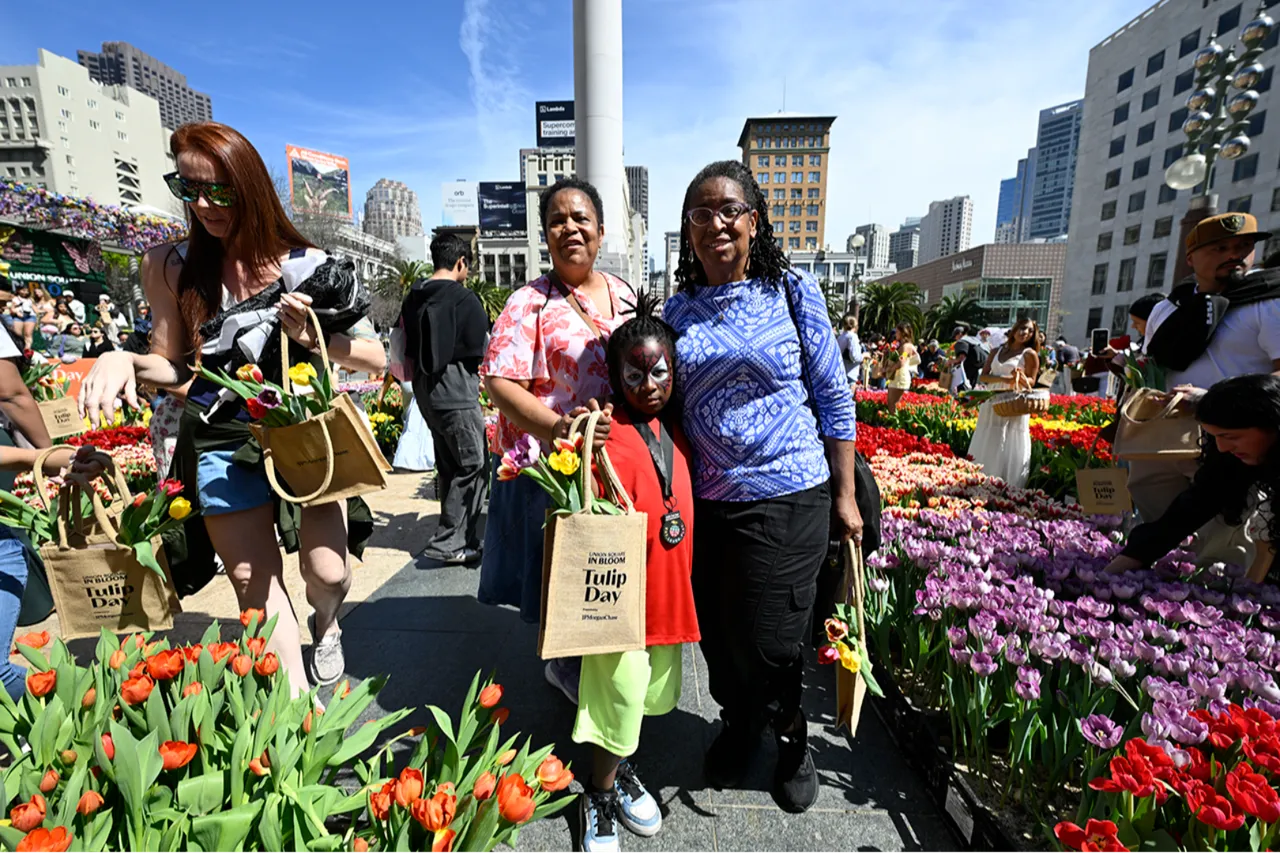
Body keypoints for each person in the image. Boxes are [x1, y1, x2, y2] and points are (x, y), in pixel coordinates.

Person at [76, 121, 386, 696]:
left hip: (300, 433)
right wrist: (126, 359)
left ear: (250, 186)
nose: (202, 205)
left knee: (328, 570)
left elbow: (374, 356)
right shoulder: (169, 265)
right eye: (187, 188)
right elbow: (177, 369)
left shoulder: (306, 264)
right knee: (252, 583)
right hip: (220, 438)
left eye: (218, 191)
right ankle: (298, 728)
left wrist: (316, 338)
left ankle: (328, 619)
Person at [663, 160, 861, 814]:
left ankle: (791, 735)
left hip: (792, 490)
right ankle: (740, 720)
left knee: (772, 636)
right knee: (719, 636)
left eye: (728, 210)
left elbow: (834, 393)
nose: (714, 223)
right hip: (709, 500)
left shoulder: (793, 291)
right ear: (687, 229)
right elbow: (658, 395)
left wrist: (845, 494)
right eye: (700, 211)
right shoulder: (676, 310)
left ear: (754, 220)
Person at [480, 177, 637, 702]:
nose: (570, 228)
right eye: (557, 220)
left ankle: (597, 655)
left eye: (580, 218)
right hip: (558, 466)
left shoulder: (625, 294)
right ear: (546, 235)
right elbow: (499, 380)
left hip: (617, 460)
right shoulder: (530, 302)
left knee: (607, 568)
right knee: (563, 573)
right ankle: (566, 664)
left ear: (600, 229)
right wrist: (558, 428)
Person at [575, 293, 699, 853]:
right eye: (635, 373)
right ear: (615, 374)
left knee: (642, 698)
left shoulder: (679, 427)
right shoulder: (604, 431)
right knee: (617, 697)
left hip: (667, 595)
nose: (648, 383)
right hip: (619, 601)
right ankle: (597, 794)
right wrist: (582, 434)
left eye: (659, 371)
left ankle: (618, 770)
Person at [1130, 213, 1280, 552]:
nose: (1234, 255)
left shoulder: (1269, 300)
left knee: (1224, 539)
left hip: (1230, 444)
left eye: (1243, 246)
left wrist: (1213, 402)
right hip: (1162, 436)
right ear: (1191, 258)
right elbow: (1154, 365)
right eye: (1220, 248)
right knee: (1156, 519)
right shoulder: (1169, 308)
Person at [1106, 374, 1278, 580]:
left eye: (1231, 437)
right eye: (1215, 437)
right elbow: (1196, 504)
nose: (1222, 448)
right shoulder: (1238, 457)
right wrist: (1132, 557)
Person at [399, 232, 489, 565]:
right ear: (460, 262)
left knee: (450, 465)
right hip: (457, 393)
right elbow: (484, 347)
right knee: (474, 464)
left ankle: (459, 539)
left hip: (426, 393)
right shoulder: (463, 299)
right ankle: (450, 541)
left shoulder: (414, 296)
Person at [966, 317, 1040, 489]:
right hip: (992, 398)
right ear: (1014, 329)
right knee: (990, 435)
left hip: (1013, 401)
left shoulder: (1029, 354)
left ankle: (1007, 484)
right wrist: (1004, 378)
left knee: (1008, 437)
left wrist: (1019, 378)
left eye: (1030, 331)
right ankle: (981, 478)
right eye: (1023, 328)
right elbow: (984, 376)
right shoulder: (996, 351)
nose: (1025, 333)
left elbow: (1032, 381)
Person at [884, 322, 920, 413]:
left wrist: (890, 369)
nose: (895, 334)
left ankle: (894, 424)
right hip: (897, 375)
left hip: (899, 376)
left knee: (892, 403)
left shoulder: (906, 346)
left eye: (897, 332)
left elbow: (901, 361)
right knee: (892, 402)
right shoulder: (903, 345)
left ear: (903, 333)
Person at [951, 324, 987, 391]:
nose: (955, 339)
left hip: (973, 365)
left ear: (959, 334)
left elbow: (962, 358)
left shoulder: (961, 341)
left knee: (963, 385)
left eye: (955, 337)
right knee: (974, 386)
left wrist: (950, 362)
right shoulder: (973, 339)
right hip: (983, 364)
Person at [836, 315, 863, 386]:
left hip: (841, 370)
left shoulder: (841, 336)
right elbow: (854, 357)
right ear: (855, 326)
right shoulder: (852, 337)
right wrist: (864, 355)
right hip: (850, 372)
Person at [9, 285, 35, 350]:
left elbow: (35, 309)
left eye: (27, 291)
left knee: (28, 334)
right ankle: (19, 348)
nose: (25, 292)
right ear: (19, 290)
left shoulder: (30, 300)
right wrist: (17, 312)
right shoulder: (14, 298)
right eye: (23, 290)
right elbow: (12, 309)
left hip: (30, 316)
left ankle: (27, 349)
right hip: (18, 317)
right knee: (18, 334)